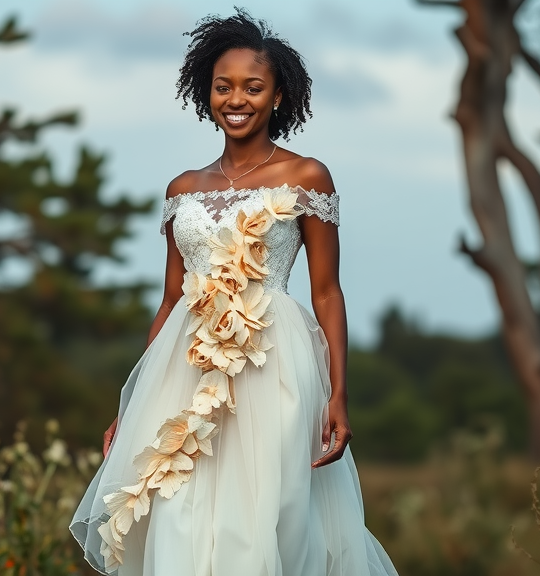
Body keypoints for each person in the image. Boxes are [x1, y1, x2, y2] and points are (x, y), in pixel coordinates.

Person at [70, 10, 399, 576]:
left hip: (272, 366)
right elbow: (171, 299)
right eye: (223, 86)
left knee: (264, 518)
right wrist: (133, 404)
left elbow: (327, 293)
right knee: (175, 509)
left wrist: (338, 394)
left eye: (253, 87)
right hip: (185, 368)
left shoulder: (308, 176)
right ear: (207, 93)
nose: (236, 98)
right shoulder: (182, 189)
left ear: (277, 97)